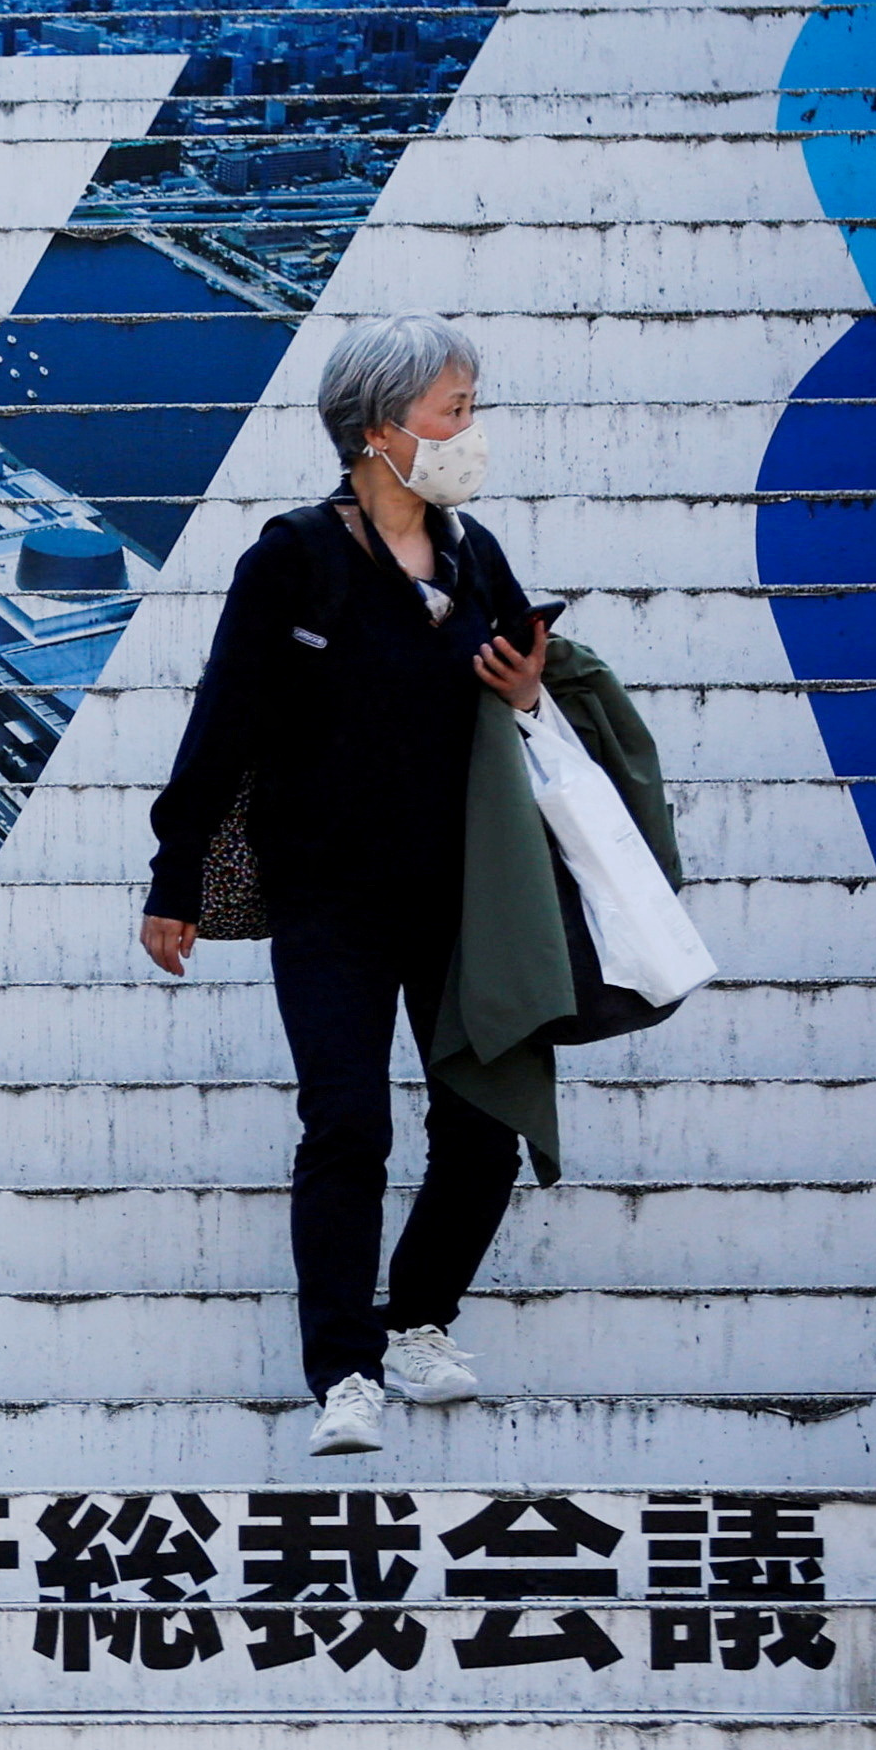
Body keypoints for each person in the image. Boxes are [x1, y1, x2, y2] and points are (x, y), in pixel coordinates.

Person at [137, 314, 555, 1456]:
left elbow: (527, 690)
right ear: (377, 431)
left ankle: (417, 1317)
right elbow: (221, 723)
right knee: (347, 1122)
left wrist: (526, 692)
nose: (469, 433)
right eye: (451, 412)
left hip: (465, 896)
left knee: (482, 1127)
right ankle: (344, 1372)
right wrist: (173, 877)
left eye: (469, 409)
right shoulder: (291, 558)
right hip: (329, 895)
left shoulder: (472, 557)